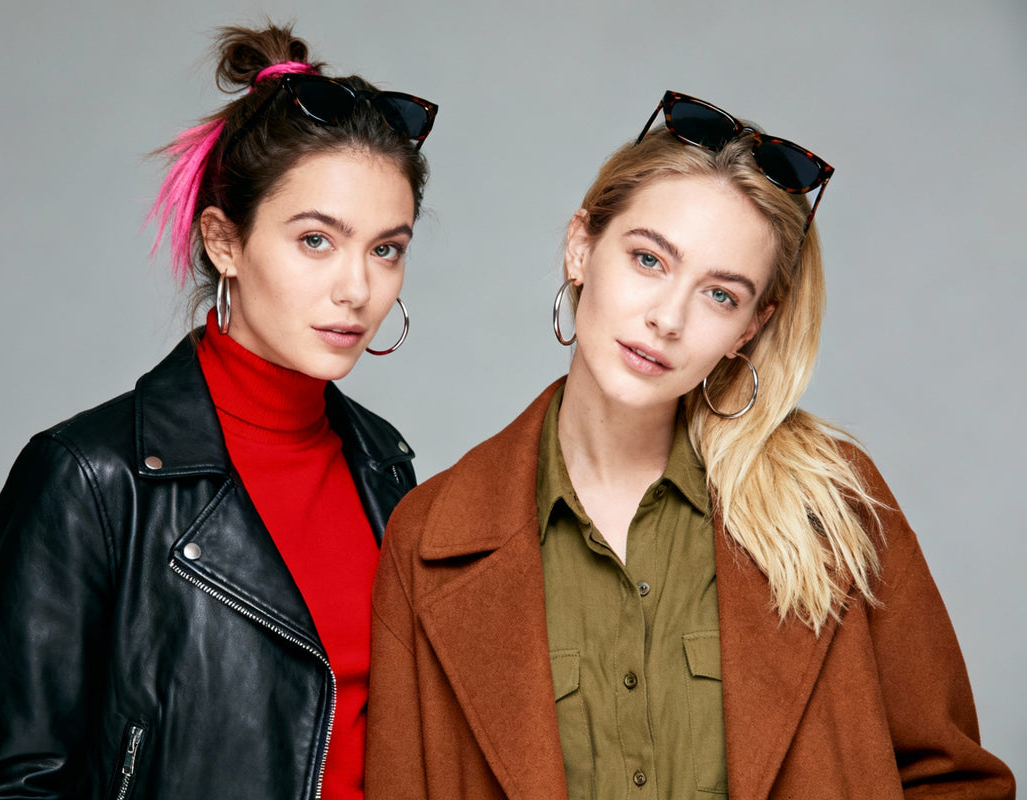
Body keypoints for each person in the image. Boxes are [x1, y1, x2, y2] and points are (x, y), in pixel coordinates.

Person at [365, 90, 1014, 799]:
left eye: (720, 295)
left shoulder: (831, 506)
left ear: (750, 329)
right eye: (649, 260)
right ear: (582, 247)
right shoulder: (430, 539)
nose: (667, 318)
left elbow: (955, 781)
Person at [0, 23, 437, 800]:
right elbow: (12, 785)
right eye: (317, 241)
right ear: (224, 242)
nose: (358, 289)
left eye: (386, 249)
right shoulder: (92, 480)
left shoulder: (386, 468)